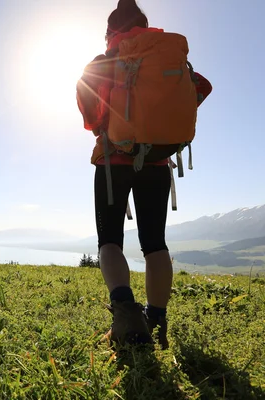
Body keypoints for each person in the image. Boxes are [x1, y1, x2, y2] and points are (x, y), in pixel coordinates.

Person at [76, 0, 212, 349]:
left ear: (110, 32)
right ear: (145, 25)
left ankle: (128, 322)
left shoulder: (103, 63)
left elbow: (91, 120)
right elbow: (202, 87)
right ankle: (157, 320)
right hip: (157, 163)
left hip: (112, 161)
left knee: (110, 242)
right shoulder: (169, 57)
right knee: (155, 244)